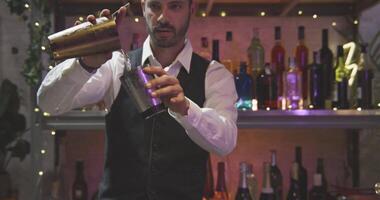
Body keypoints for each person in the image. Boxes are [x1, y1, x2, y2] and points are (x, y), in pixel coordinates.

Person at [37, 0, 238, 199]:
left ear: (191, 9)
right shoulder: (115, 65)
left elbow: (226, 142)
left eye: (175, 6)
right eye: (155, 6)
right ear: (143, 8)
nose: (163, 17)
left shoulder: (214, 75)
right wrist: (84, 64)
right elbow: (48, 103)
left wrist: (186, 109)